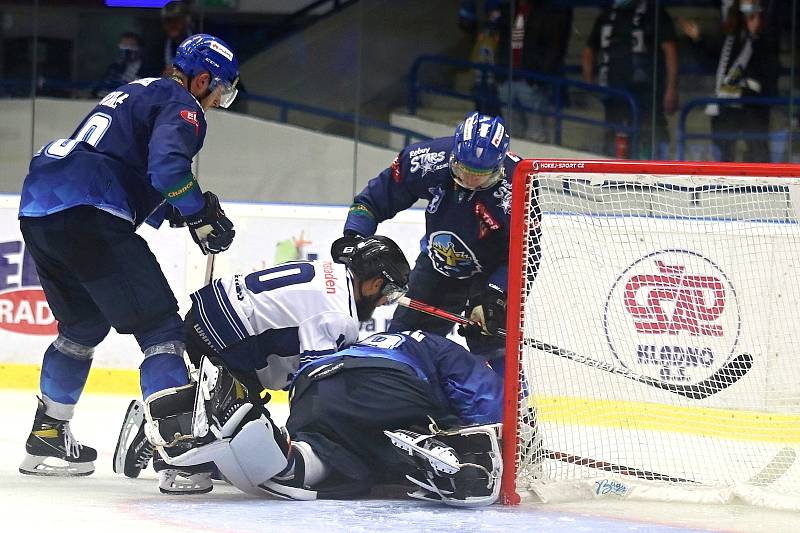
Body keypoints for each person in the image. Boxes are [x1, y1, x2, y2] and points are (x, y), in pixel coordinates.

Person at [17, 33, 240, 478]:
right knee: (161, 330)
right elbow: (168, 170)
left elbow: (132, 167)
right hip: (90, 213)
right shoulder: (182, 103)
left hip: (39, 212)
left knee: (82, 326)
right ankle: (179, 455)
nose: (217, 101)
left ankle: (48, 437)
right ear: (201, 80)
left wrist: (182, 210)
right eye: (219, 89)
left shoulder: (133, 91)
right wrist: (200, 216)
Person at [114, 236, 411, 494]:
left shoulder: (331, 274)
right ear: (374, 284)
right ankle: (173, 437)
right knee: (251, 446)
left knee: (247, 425)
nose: (387, 302)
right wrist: (315, 444)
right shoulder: (339, 314)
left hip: (211, 316)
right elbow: (314, 387)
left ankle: (173, 418)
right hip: (227, 337)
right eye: (390, 293)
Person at [158, 331, 505, 506]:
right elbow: (485, 401)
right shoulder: (442, 347)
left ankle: (221, 432)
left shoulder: (375, 340)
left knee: (317, 463)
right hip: (387, 383)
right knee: (392, 450)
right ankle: (423, 446)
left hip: (314, 385)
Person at [339, 112, 540, 372]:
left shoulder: (520, 186)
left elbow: (527, 253)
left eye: (479, 175)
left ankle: (517, 410)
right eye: (464, 170)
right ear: (454, 154)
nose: (469, 180)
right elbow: (372, 201)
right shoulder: (426, 160)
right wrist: (354, 236)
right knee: (401, 341)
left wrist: (496, 294)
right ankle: (401, 407)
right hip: (438, 264)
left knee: (493, 346)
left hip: (491, 273)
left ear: (499, 165)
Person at [682, 0, 779, 162]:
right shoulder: (730, 36)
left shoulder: (767, 35)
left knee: (756, 152)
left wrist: (755, 36)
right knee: (724, 152)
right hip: (727, 104)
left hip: (753, 105)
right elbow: (714, 58)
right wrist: (698, 39)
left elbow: (767, 67)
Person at [582, 0, 679, 159]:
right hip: (613, 94)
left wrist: (671, 88)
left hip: (647, 94)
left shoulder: (654, 13)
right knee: (615, 138)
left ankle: (651, 174)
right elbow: (589, 51)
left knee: (650, 136)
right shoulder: (607, 14)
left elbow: (670, 51)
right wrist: (589, 84)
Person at [495, 0, 573, 143]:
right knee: (509, 133)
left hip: (530, 80)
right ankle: (511, 164)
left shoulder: (544, 12)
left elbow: (553, 47)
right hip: (506, 79)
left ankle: (533, 165)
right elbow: (501, 43)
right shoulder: (508, 10)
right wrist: (500, 75)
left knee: (535, 133)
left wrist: (538, 77)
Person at [92, 32, 145, 99]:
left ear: (139, 47)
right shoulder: (114, 66)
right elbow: (101, 86)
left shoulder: (144, 68)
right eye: (124, 45)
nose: (127, 49)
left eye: (131, 45)